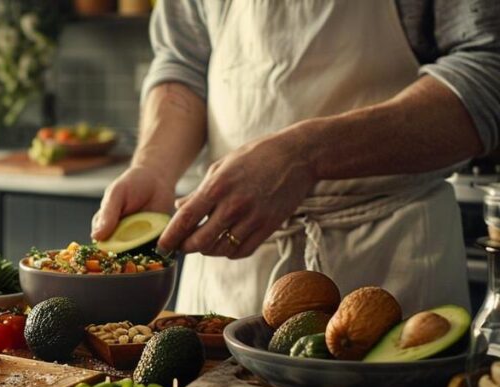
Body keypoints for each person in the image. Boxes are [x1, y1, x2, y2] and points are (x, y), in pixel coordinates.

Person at [91, 0, 500, 318]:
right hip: (229, 271)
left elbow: (488, 72)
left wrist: (306, 155)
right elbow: (184, 60)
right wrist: (154, 168)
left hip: (387, 265)